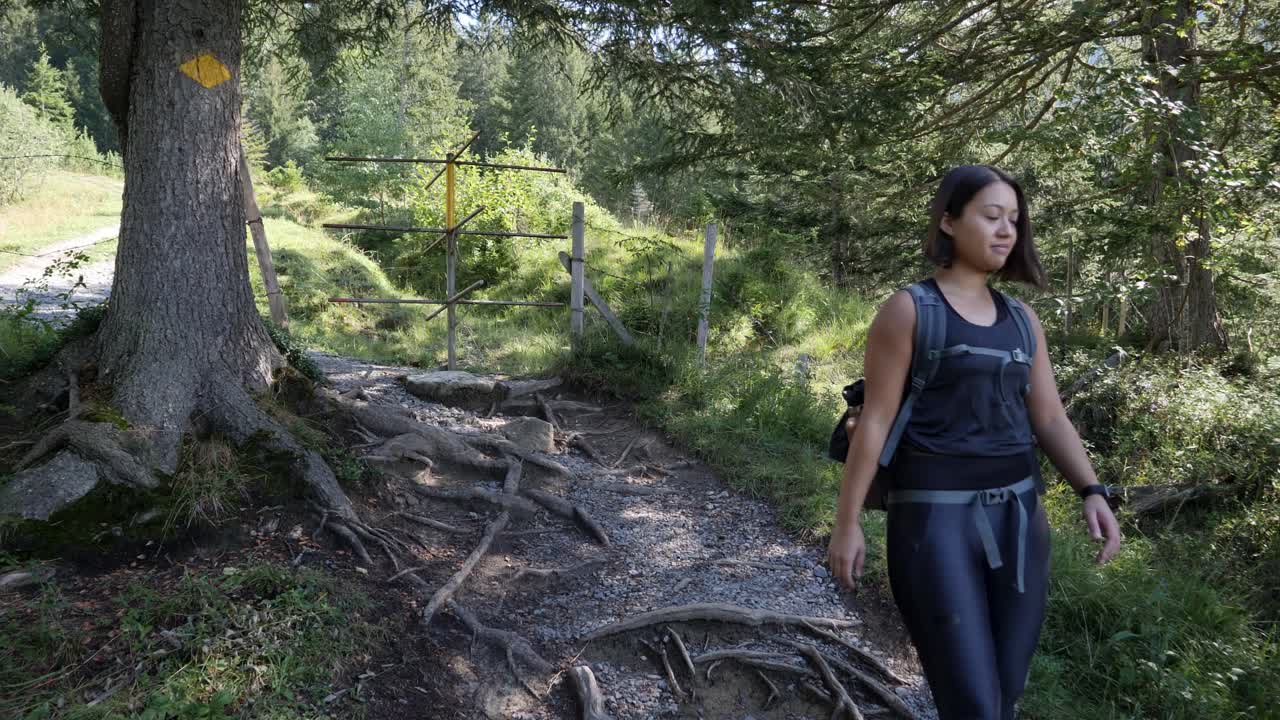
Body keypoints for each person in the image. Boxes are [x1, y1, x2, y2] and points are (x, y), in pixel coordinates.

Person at [827, 165, 1122, 720]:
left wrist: (1092, 489)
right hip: (932, 523)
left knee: (1006, 692)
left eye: (1014, 219)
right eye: (991, 216)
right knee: (974, 706)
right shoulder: (910, 310)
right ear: (949, 220)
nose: (1006, 230)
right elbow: (876, 420)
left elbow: (1051, 418)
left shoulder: (1022, 320)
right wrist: (847, 523)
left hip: (1020, 521)